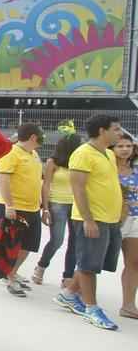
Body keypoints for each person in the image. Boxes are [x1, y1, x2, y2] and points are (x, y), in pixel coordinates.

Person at [57, 114, 123, 330]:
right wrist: (88, 220)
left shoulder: (108, 155)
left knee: (95, 262)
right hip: (92, 218)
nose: (120, 133)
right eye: (116, 129)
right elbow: (78, 189)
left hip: (110, 218)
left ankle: (68, 294)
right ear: (102, 131)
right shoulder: (82, 154)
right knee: (88, 266)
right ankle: (91, 308)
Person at [0, 122, 44, 297]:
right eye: (41, 135)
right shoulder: (11, 153)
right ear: (33, 137)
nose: (43, 138)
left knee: (29, 244)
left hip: (32, 208)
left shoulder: (34, 154)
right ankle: (9, 277)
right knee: (12, 245)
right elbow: (3, 180)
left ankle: (12, 271)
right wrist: (9, 205)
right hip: (14, 207)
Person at [34, 132, 81, 286]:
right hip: (57, 204)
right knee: (57, 240)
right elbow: (46, 185)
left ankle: (67, 276)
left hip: (76, 205)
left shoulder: (79, 163)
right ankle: (41, 266)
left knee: (74, 242)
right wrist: (45, 208)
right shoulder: (52, 162)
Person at [114, 132, 138, 320]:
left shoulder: (136, 171)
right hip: (113, 219)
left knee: (134, 262)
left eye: (128, 146)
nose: (124, 150)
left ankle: (128, 305)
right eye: (120, 146)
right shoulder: (106, 169)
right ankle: (74, 292)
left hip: (135, 220)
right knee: (95, 261)